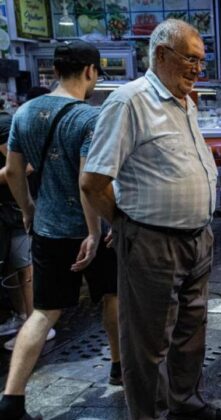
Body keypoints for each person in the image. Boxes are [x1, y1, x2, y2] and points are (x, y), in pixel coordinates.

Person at [80, 20, 221, 420]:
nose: (197, 68)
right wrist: (125, 225)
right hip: (152, 242)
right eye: (191, 59)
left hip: (198, 239)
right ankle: (149, 415)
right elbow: (93, 182)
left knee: (191, 334)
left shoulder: (186, 102)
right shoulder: (131, 101)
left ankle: (185, 404)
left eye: (201, 60)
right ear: (162, 54)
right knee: (148, 342)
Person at [0, 41, 122, 420]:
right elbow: (91, 182)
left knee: (43, 313)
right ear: (90, 71)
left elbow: (11, 172)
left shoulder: (24, 113)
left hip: (48, 230)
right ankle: (119, 367)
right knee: (112, 297)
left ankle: (11, 399)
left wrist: (28, 210)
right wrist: (96, 228)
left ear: (55, 71)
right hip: (94, 232)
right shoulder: (89, 117)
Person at [0, 89, 51, 346]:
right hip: (13, 209)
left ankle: (35, 325)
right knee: (15, 265)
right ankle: (23, 318)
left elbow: (22, 167)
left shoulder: (6, 124)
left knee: (25, 267)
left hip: (20, 207)